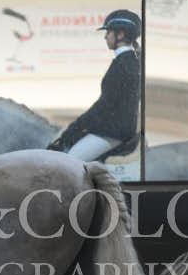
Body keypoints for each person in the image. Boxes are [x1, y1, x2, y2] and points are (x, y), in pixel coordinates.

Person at [47, 9, 141, 162]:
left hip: (113, 132)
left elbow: (105, 105)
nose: (105, 36)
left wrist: (76, 127)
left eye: (108, 32)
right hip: (112, 128)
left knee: (69, 162)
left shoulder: (125, 64)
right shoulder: (126, 61)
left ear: (120, 34)